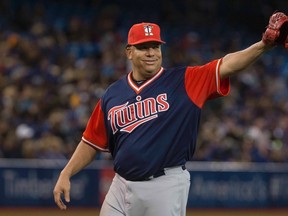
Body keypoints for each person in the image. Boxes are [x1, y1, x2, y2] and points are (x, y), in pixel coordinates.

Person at [53, 12, 288, 216]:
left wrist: (263, 45)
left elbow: (227, 64)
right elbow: (92, 141)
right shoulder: (112, 94)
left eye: (155, 46)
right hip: (120, 185)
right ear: (128, 52)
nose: (151, 53)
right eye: (143, 47)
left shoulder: (184, 80)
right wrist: (66, 173)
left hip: (163, 185)